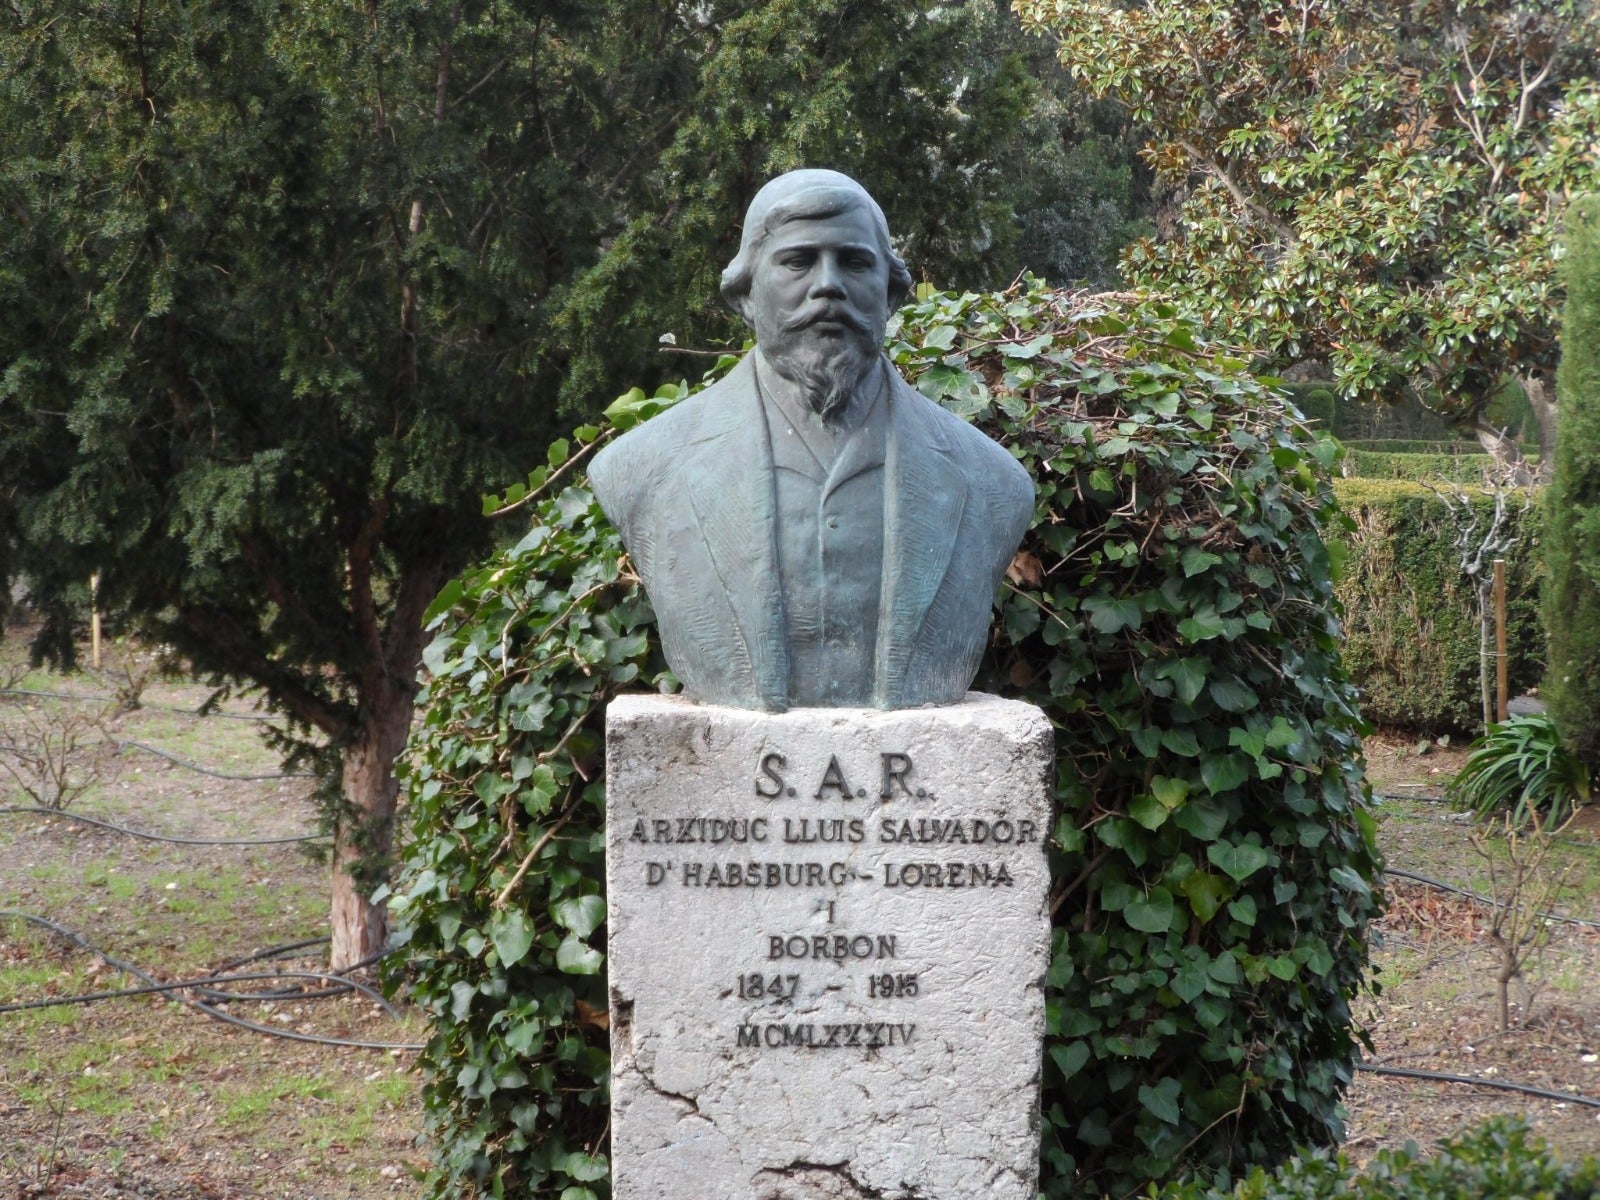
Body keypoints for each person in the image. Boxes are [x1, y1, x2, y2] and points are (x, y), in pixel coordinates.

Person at [589, 169, 1033, 710]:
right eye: (798, 261)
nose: (828, 285)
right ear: (745, 294)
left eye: (854, 261)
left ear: (891, 294)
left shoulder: (992, 481)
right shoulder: (641, 469)